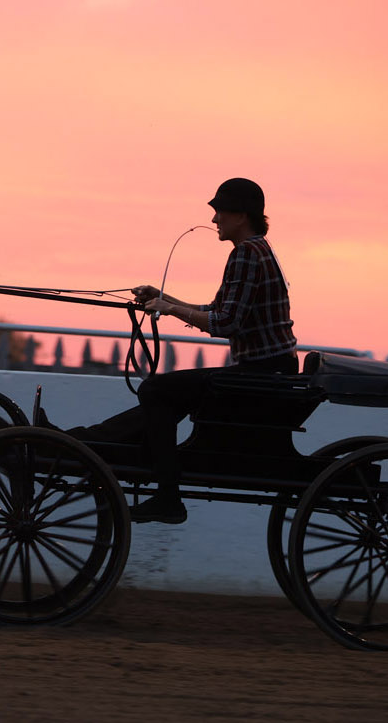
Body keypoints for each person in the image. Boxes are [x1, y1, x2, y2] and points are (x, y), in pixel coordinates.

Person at [128, 177, 297, 523]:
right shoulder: (258, 250)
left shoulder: (246, 254)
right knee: (162, 392)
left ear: (241, 215)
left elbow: (224, 323)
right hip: (269, 371)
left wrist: (169, 308)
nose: (215, 219)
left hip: (259, 375)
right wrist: (163, 298)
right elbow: (216, 309)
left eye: (219, 211)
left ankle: (167, 496)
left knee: (155, 389)